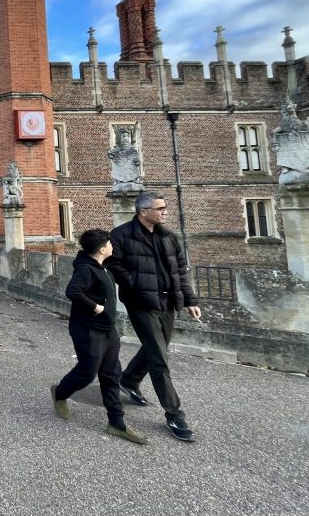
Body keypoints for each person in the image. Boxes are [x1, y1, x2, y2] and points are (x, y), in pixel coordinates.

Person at [107, 190, 201, 442]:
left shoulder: (169, 237)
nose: (165, 211)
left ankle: (129, 379)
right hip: (141, 302)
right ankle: (174, 414)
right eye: (160, 208)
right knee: (159, 358)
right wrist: (135, 284)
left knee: (156, 348)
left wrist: (190, 299)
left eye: (165, 207)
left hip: (168, 302)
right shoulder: (121, 235)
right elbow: (113, 265)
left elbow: (181, 270)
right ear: (143, 211)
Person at [51, 229, 148, 444]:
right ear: (103, 248)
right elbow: (73, 291)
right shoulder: (86, 269)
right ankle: (60, 393)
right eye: (110, 243)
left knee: (112, 374)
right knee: (87, 372)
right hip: (88, 329)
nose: (112, 246)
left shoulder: (103, 266)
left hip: (107, 329)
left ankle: (117, 423)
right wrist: (96, 307)